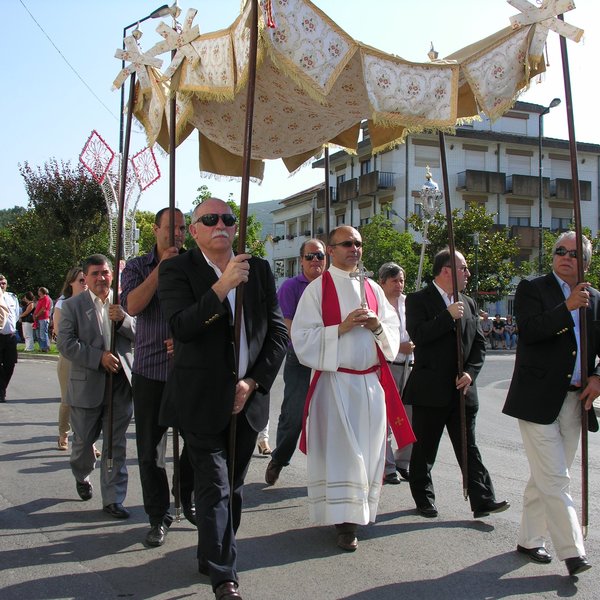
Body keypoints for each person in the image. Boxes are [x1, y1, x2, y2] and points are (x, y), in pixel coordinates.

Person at [158, 198, 287, 600]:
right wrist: (222, 286)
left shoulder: (260, 269)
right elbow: (182, 327)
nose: (221, 224)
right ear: (193, 231)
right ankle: (224, 577)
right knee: (213, 485)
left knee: (231, 488)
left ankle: (210, 553)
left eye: (228, 219)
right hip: (199, 400)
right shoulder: (177, 270)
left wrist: (252, 383)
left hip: (246, 401)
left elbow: (277, 335)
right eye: (209, 219)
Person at [291, 226, 404, 552]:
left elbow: (393, 337)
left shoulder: (373, 288)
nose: (354, 249)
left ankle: (359, 512)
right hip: (336, 384)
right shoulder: (317, 290)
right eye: (346, 244)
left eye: (358, 244)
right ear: (331, 249)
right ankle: (345, 524)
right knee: (346, 456)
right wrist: (340, 328)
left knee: (367, 455)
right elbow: (301, 339)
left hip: (370, 385)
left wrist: (376, 325)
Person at [503, 231, 600, 576]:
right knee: (556, 478)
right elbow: (529, 331)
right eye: (560, 251)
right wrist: (567, 307)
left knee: (545, 476)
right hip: (536, 399)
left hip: (576, 401)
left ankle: (529, 539)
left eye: (574, 254)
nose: (566, 257)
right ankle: (573, 551)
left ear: (585, 262)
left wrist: (597, 377)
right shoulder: (533, 288)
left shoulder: (595, 298)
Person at [403, 247, 509, 519]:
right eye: (463, 268)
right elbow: (420, 336)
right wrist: (446, 315)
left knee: (468, 447)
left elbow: (479, 344)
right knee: (425, 449)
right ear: (447, 271)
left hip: (462, 390)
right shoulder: (418, 300)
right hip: (431, 390)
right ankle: (424, 498)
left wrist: (471, 372)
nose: (468, 273)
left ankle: (483, 499)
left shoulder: (470, 302)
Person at [121, 207, 197, 548]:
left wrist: (185, 336)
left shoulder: (196, 264)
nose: (178, 234)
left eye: (183, 228)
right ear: (156, 229)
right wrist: (161, 270)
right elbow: (132, 306)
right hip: (149, 370)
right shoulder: (137, 266)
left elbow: (209, 309)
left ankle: (185, 491)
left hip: (190, 369)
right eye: (173, 228)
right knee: (151, 450)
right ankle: (158, 515)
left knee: (198, 441)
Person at [57, 254, 135, 519]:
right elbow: (66, 344)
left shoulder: (125, 302)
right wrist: (98, 357)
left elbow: (142, 332)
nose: (101, 278)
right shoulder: (73, 306)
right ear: (86, 279)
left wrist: (124, 319)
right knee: (82, 444)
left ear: (112, 275)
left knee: (115, 445)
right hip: (86, 387)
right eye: (95, 274)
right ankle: (81, 474)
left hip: (120, 386)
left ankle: (113, 498)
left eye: (105, 273)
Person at [265, 238, 326, 486]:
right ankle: (279, 459)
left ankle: (327, 474)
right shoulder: (291, 287)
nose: (315, 261)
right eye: (310, 256)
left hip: (330, 359)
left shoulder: (332, 285)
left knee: (329, 417)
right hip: (300, 358)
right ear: (301, 261)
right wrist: (311, 345)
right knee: (295, 414)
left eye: (319, 256)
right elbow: (287, 324)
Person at [378, 262, 414, 484]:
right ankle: (387, 466)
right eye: (394, 281)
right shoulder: (378, 305)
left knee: (409, 417)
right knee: (386, 418)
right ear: (383, 282)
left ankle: (403, 463)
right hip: (387, 365)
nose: (399, 285)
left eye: (401, 280)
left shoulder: (409, 303)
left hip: (409, 365)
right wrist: (396, 346)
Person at [54, 267, 90, 451]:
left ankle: (85, 441)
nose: (85, 284)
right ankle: (63, 433)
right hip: (69, 357)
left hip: (87, 356)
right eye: (81, 281)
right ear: (71, 283)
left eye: (86, 280)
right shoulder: (63, 303)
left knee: (86, 400)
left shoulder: (91, 302)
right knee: (68, 398)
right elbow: (61, 335)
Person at [0, 274, 20, 402]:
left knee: (10, 365)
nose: (2, 285)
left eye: (4, 283)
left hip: (10, 336)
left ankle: (2, 388)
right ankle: (1, 392)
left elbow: (16, 315)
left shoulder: (12, 297)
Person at [34, 287, 52, 352]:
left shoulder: (46, 298)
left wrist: (37, 315)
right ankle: (42, 347)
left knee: (43, 333)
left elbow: (44, 309)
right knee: (39, 334)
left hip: (43, 318)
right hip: (39, 318)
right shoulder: (40, 299)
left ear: (42, 291)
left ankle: (46, 347)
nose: (38, 292)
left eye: (39, 291)